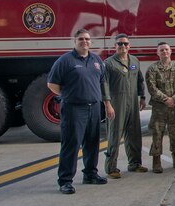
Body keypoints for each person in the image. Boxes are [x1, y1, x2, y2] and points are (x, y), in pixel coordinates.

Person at [47, 28, 107, 194]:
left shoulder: (96, 60)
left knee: (92, 143)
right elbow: (52, 84)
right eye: (81, 39)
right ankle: (65, 181)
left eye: (87, 39)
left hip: (94, 107)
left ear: (91, 42)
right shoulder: (65, 61)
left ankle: (90, 174)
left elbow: (101, 81)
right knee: (71, 144)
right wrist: (67, 95)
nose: (84, 42)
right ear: (75, 41)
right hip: (74, 108)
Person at [102, 34, 148, 179]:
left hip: (133, 102)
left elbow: (140, 80)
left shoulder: (134, 60)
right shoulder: (108, 63)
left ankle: (135, 164)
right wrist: (107, 104)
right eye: (120, 44)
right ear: (115, 46)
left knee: (134, 133)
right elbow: (105, 84)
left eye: (125, 44)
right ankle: (111, 168)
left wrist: (142, 97)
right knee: (115, 134)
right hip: (117, 102)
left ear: (129, 45)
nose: (123, 46)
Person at [145, 42, 175, 173]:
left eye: (166, 49)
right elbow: (152, 88)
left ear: (171, 51)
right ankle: (156, 162)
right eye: (162, 50)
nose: (164, 52)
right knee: (157, 133)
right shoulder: (152, 69)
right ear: (157, 53)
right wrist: (165, 99)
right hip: (159, 108)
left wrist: (173, 99)